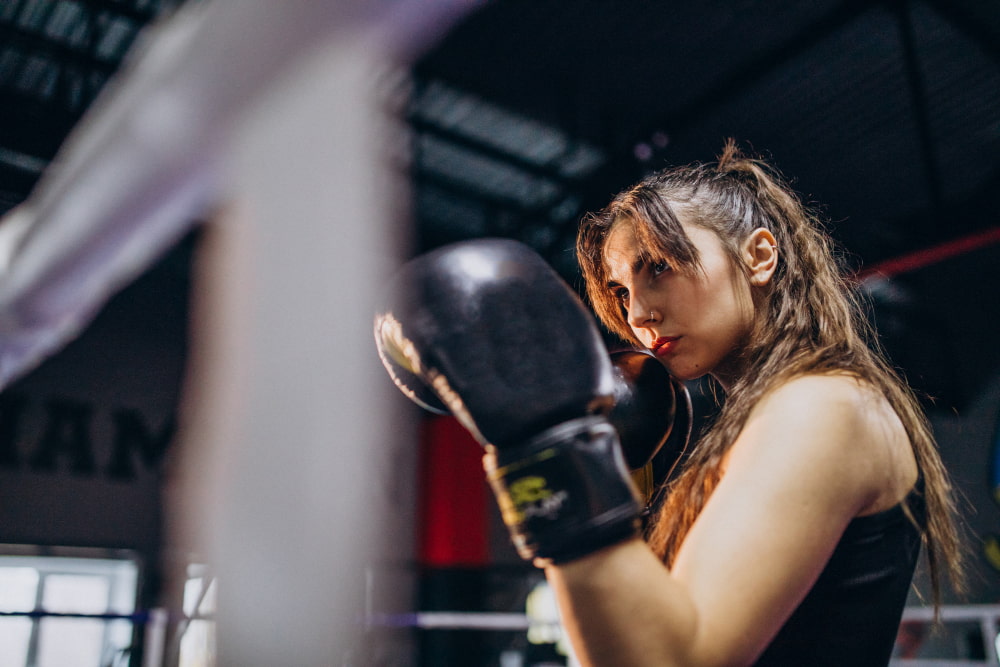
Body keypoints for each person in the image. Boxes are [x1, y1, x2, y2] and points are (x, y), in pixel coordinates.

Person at [553, 140, 966, 665]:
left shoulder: (820, 409)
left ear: (759, 257)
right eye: (621, 291)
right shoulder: (780, 413)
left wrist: (555, 486)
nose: (639, 313)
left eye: (657, 266)